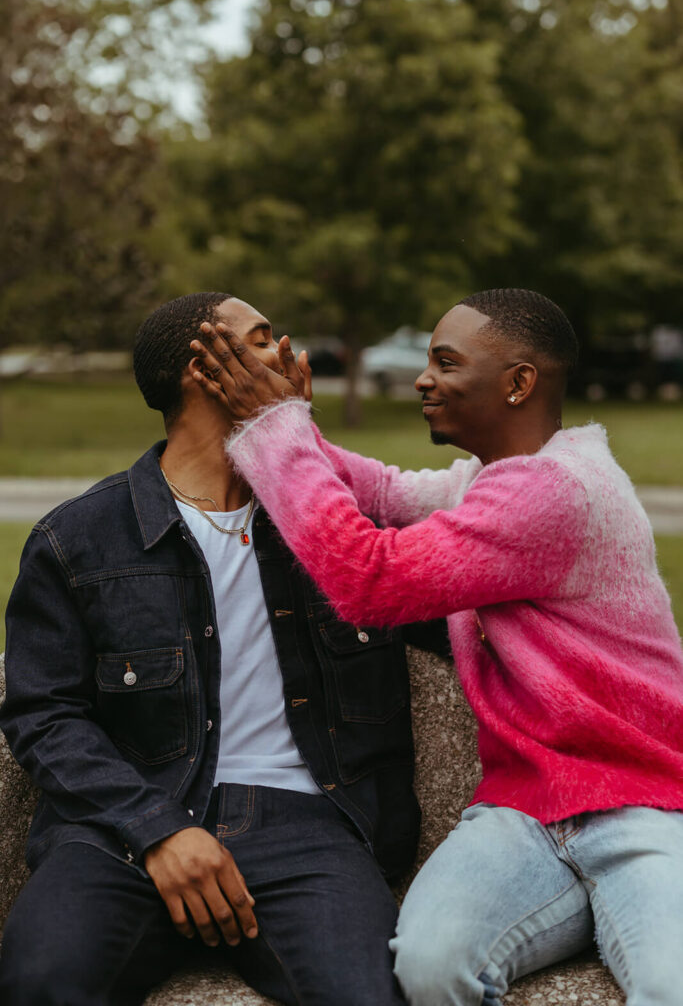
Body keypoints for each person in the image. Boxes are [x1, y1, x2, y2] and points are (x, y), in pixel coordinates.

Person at [188, 287, 683, 1006]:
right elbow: (384, 490)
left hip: (640, 802)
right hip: (522, 811)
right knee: (428, 965)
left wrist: (277, 426)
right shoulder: (497, 478)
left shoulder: (554, 493)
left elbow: (368, 580)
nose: (423, 379)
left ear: (517, 383)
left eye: (445, 363)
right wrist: (290, 426)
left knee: (669, 986)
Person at [0, 292, 422, 1006]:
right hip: (123, 825)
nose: (287, 354)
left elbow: (470, 590)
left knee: (367, 995)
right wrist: (157, 830)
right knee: (41, 981)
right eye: (260, 340)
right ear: (205, 368)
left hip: (307, 823)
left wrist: (304, 453)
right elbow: (44, 712)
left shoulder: (335, 526)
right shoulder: (78, 539)